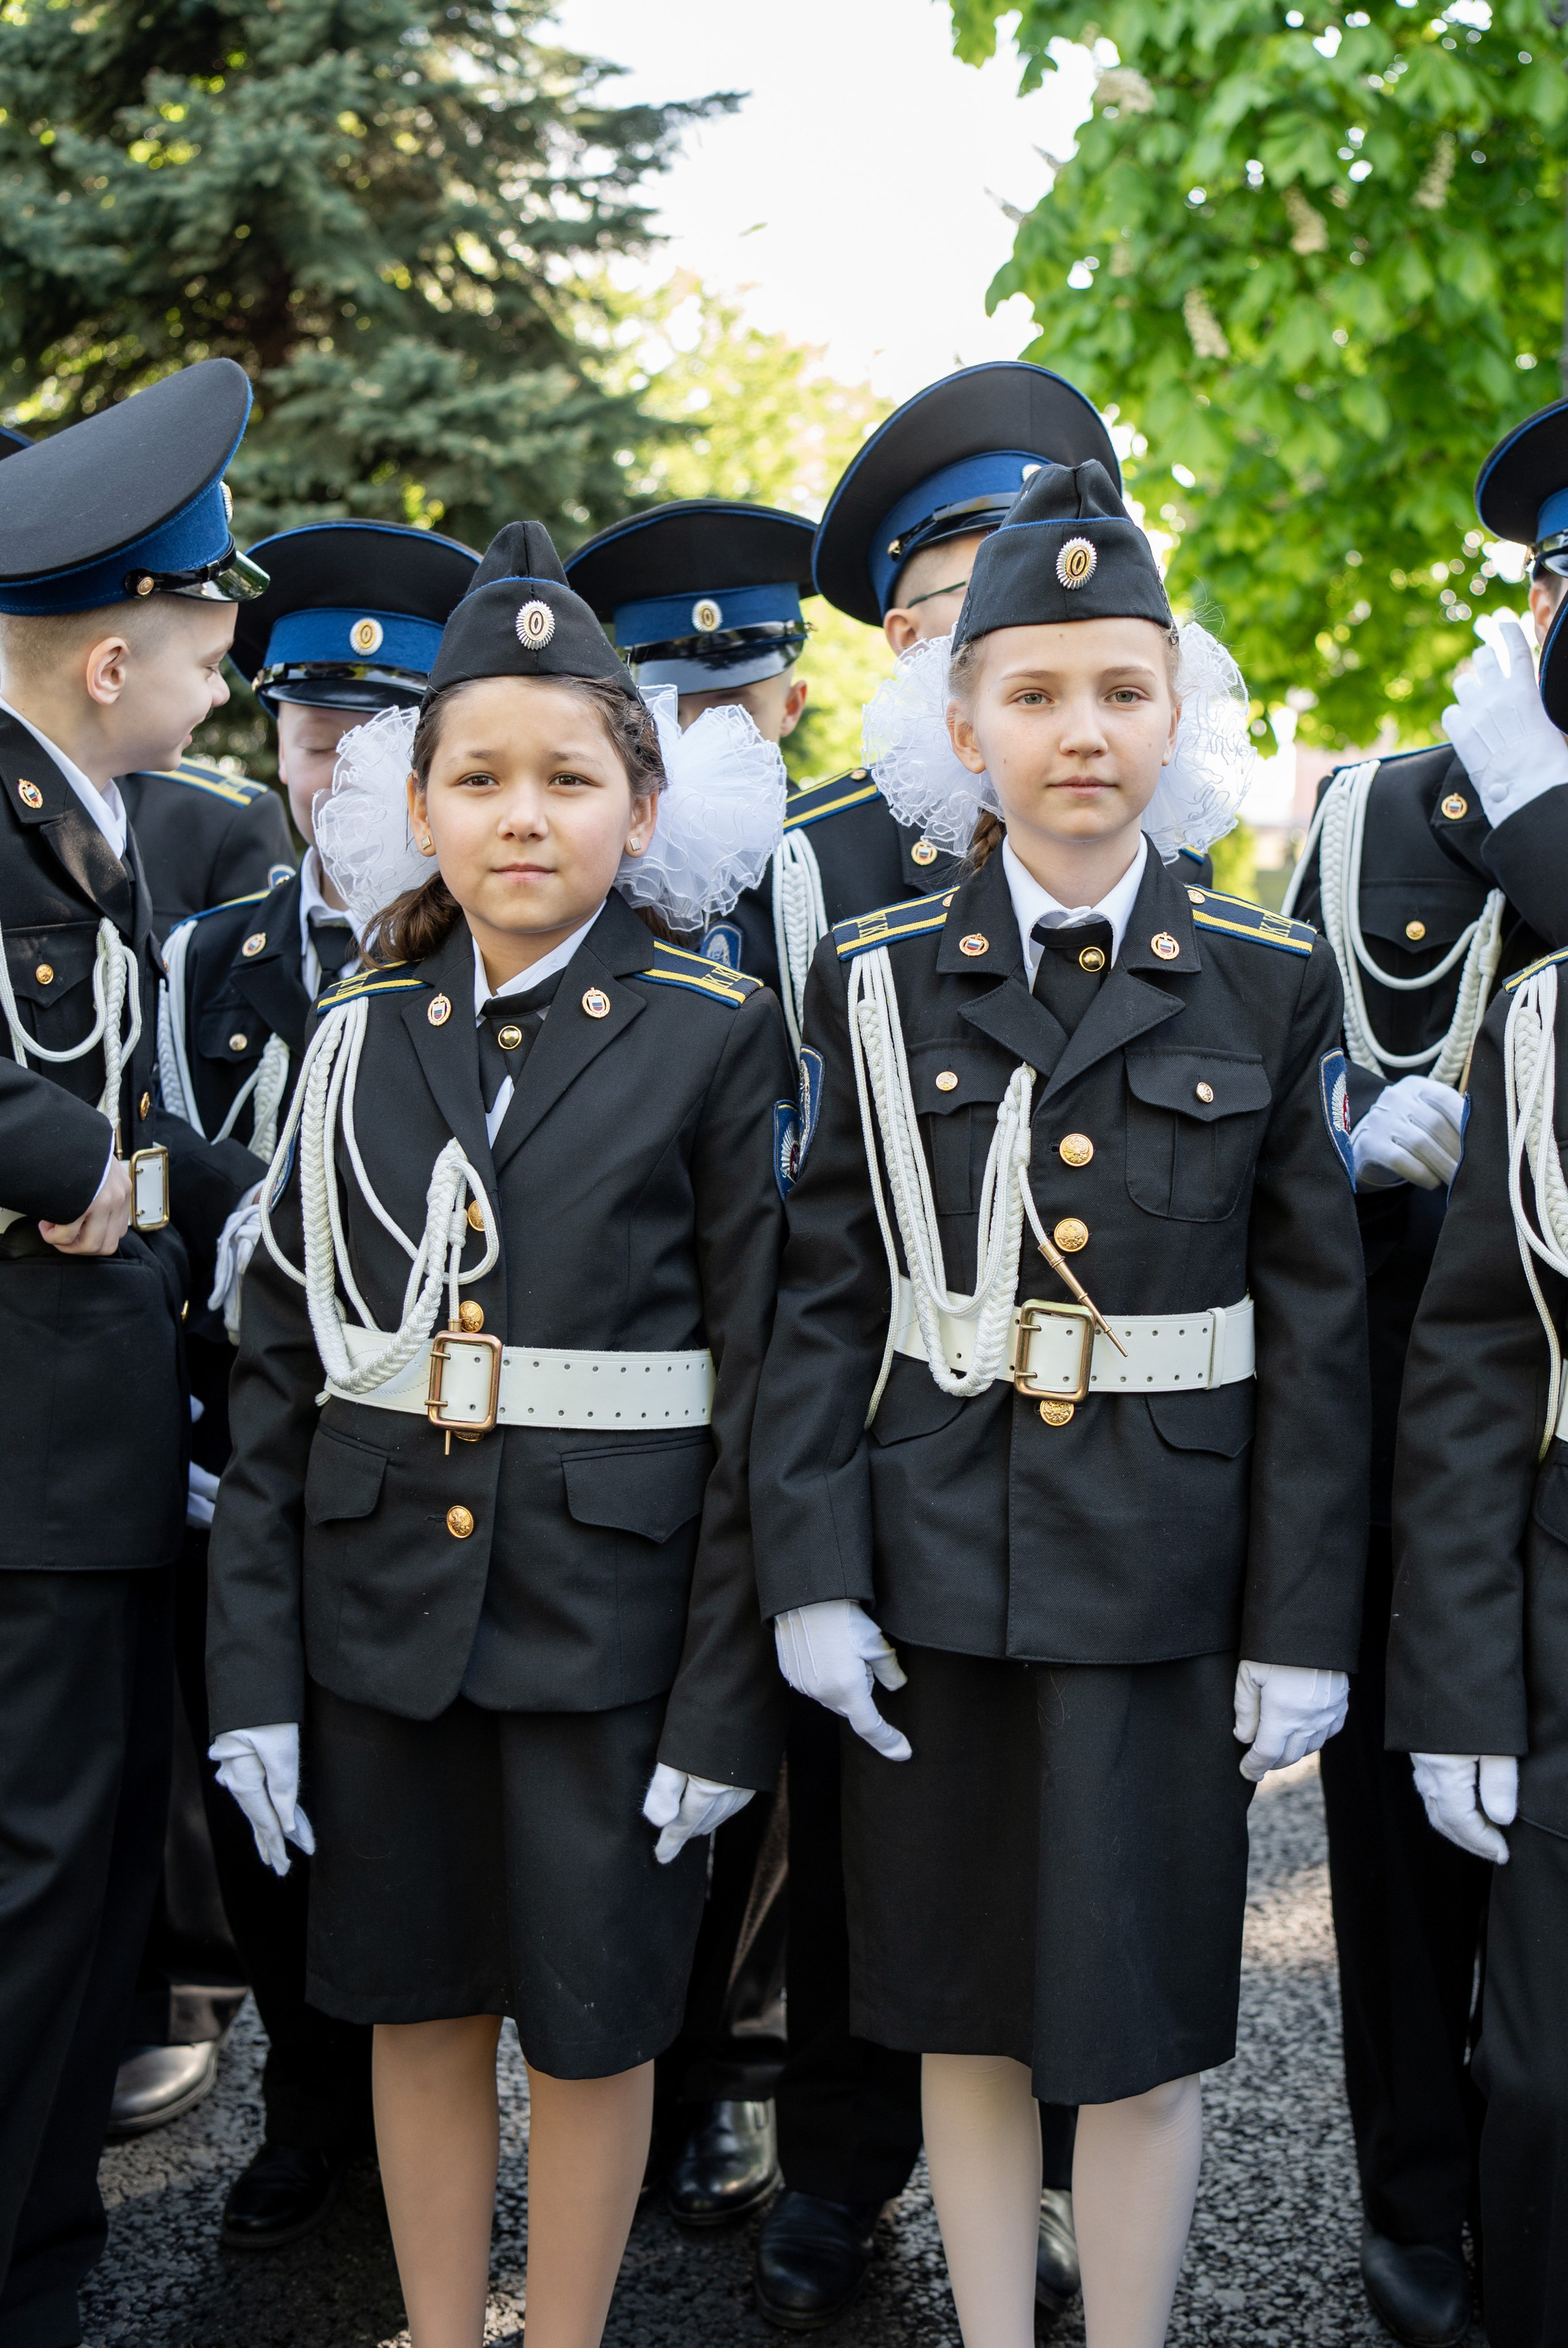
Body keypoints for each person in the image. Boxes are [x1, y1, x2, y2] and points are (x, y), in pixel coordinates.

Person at [750, 455, 1370, 2348]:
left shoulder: (1263, 981)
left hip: (1165, 1587)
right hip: (937, 1571)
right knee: (958, 2006)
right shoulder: (874, 980)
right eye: (1033, 691)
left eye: (1120, 688)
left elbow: (1320, 1331)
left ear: (1181, 713)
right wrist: (814, 1575)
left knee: (1145, 2013)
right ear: (961, 724)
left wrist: (1302, 1624)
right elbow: (821, 1306)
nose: (1078, 730)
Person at [204, 518, 792, 2348]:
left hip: (609, 1639)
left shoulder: (714, 1030)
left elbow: (760, 1389)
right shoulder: (358, 1031)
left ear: (643, 803)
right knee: (415, 2003)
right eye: (480, 776)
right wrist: (253, 1678)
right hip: (386, 1626)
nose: (521, 814)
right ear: (418, 805)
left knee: (597, 2017)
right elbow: (283, 1375)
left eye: (567, 775)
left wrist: (723, 1703)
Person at [748, 361, 1129, 2331]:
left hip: (1075, 1448)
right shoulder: (806, 864)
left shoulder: (1136, 833)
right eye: (954, 610)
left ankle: (1055, 2176)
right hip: (878, 1428)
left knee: (1064, 1821)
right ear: (906, 647)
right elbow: (771, 1206)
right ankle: (838, 2160)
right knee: (859, 1822)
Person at [153, 519, 480, 2246]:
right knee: (254, 1786)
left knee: (414, 1798)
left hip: (424, 1448)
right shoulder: (209, 954)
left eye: (378, 731)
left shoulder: (472, 941)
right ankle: (306, 2102)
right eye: (310, 731)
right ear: (269, 743)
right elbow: (160, 1176)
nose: (339, 763)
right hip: (244, 1451)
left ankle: (422, 2095)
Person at [1282, 398, 1568, 2346]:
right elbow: (1276, 1056)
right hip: (1414, 1403)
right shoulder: (1388, 802)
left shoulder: (1530, 802)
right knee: (1402, 1835)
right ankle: (1417, 2181)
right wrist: (1349, 1115)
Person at [0, 357, 270, 2348]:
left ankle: (46, 2251)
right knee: (27, 1894)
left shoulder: (91, 822)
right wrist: (67, 1153)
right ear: (111, 656)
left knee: (79, 1896)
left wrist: (142, 1174)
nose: (226, 654)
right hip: (27, 1464)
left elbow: (147, 1147)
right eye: (205, 623)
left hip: (87, 1453)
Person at [565, 499, 818, 2227]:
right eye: (676, 698)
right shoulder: (590, 884)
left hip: (824, 1363)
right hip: (628, 1391)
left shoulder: (867, 859)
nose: (712, 731)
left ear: (790, 704)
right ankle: (636, 2061)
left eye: (741, 697)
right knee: (626, 1732)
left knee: (788, 1752)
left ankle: (750, 2070)